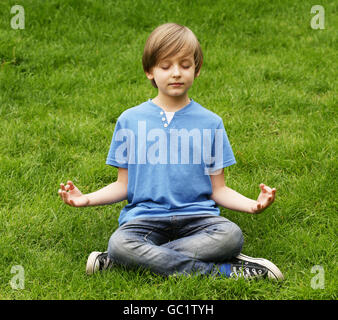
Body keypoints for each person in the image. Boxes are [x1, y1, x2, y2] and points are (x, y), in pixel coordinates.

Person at [58, 23, 284, 280]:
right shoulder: (129, 120)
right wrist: (86, 199)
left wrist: (253, 205)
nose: (176, 73)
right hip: (144, 220)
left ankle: (125, 261)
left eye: (185, 65)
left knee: (231, 236)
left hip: (199, 219)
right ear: (149, 71)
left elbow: (218, 189)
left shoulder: (211, 123)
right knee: (121, 243)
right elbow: (124, 185)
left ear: (196, 70)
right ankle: (221, 272)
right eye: (165, 66)